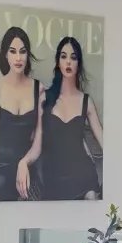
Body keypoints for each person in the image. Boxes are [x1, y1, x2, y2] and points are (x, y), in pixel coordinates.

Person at [19, 35, 103, 200]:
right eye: (64, 56)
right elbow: (37, 147)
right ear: (58, 62)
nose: (68, 62)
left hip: (83, 177)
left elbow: (104, 142)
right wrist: (23, 162)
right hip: (54, 180)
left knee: (91, 198)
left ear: (79, 63)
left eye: (73, 57)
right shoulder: (46, 99)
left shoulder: (86, 101)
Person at [0, 26, 43, 200]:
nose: (18, 58)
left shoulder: (39, 89)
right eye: (12, 51)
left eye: (22, 52)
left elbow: (38, 143)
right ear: (5, 54)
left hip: (27, 170)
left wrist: (24, 162)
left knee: (35, 199)